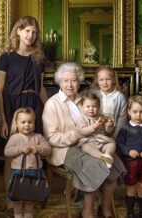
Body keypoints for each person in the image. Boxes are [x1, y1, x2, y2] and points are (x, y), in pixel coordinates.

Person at [42, 62, 126, 218]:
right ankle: (87, 211)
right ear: (59, 82)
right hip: (64, 149)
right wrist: (77, 135)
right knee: (93, 165)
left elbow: (96, 125)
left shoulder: (85, 100)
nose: (69, 84)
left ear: (79, 81)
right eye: (65, 80)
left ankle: (105, 207)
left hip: (90, 144)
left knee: (115, 163)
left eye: (73, 80)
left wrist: (107, 125)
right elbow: (52, 138)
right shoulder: (52, 104)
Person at [0, 16, 48, 215]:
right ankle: (12, 200)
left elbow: (41, 88)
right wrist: (2, 118)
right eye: (27, 31)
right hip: (12, 107)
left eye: (34, 32)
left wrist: (49, 108)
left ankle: (33, 195)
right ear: (18, 31)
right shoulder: (7, 57)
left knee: (35, 151)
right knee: (13, 154)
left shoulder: (38, 58)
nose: (30, 35)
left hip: (33, 105)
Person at [4, 107, 51, 218]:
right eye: (23, 122)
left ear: (34, 123)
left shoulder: (38, 137)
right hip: (18, 172)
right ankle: (18, 215)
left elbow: (48, 149)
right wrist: (20, 149)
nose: (27, 125)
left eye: (30, 122)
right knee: (17, 197)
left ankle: (29, 215)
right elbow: (7, 152)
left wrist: (38, 148)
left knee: (31, 197)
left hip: (35, 173)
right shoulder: (14, 138)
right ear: (16, 123)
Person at [116, 95, 142, 218]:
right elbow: (120, 143)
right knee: (131, 188)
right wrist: (128, 151)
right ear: (129, 112)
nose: (138, 115)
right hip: (130, 164)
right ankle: (130, 213)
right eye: (135, 112)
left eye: (141, 112)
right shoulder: (125, 128)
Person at [76, 92, 116, 168]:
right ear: (82, 107)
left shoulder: (102, 117)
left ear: (98, 107)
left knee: (112, 145)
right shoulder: (81, 118)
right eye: (88, 106)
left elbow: (108, 132)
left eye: (94, 106)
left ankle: (107, 155)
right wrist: (94, 126)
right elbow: (83, 132)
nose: (91, 109)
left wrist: (109, 126)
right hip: (89, 141)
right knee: (85, 147)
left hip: (101, 142)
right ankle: (102, 157)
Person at [91, 65, 127, 138]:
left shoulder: (120, 97)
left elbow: (122, 120)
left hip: (112, 132)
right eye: (101, 80)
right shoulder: (93, 95)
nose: (105, 83)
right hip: (94, 131)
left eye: (108, 79)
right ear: (97, 81)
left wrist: (114, 137)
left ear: (113, 80)